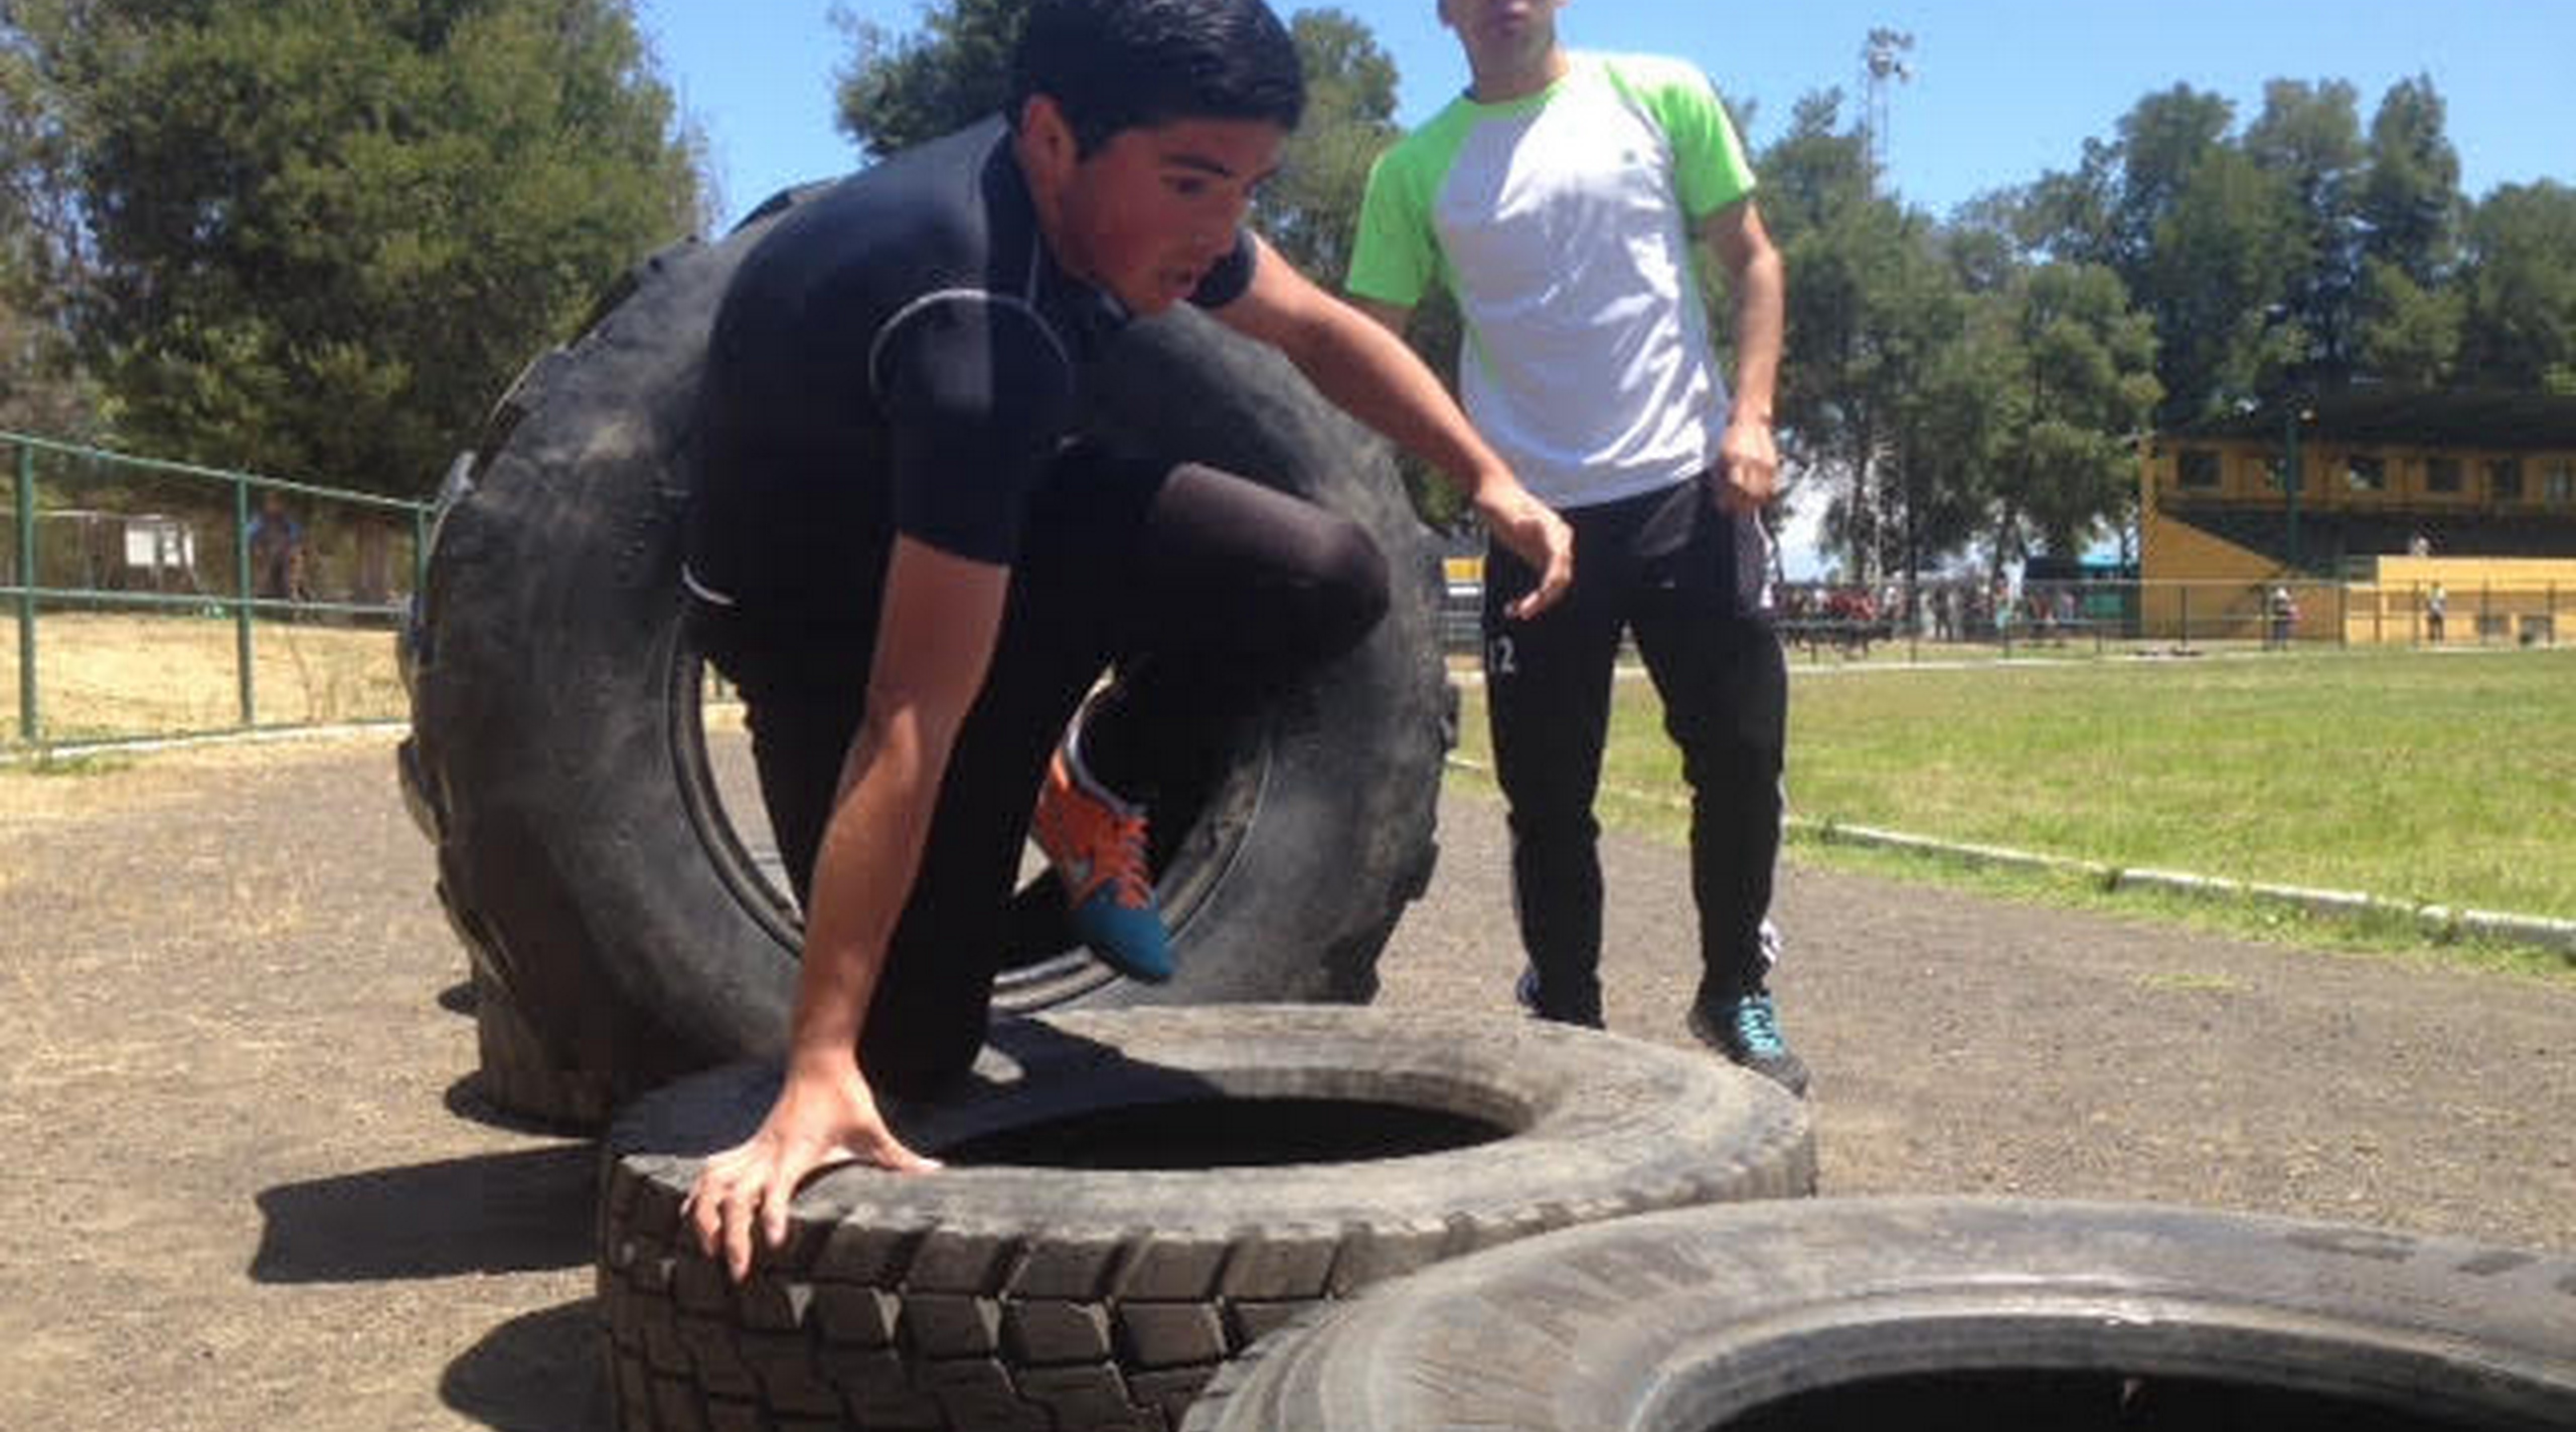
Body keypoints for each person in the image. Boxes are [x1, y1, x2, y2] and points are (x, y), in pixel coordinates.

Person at [678, 0, 1574, 1281]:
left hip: (991, 516)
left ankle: (1095, 772)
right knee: (913, 1055)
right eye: (1196, 182)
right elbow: (907, 716)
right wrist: (818, 1063)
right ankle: (938, 920)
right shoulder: (980, 325)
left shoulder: (1134, 200)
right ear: (1051, 136)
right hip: (814, 612)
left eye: (1248, 186)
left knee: (1323, 574)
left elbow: (1319, 329)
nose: (1220, 232)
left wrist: (1489, 474)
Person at [1347, 0, 1804, 1093]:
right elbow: (1366, 351)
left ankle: (1733, 982)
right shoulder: (1414, 173)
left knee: (1739, 758)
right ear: (1442, 12)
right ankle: (1568, 1001)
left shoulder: (1660, 95)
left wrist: (1749, 417)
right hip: (1533, 517)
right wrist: (1433, 486)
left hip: (1689, 492)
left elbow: (1754, 263)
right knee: (1549, 794)